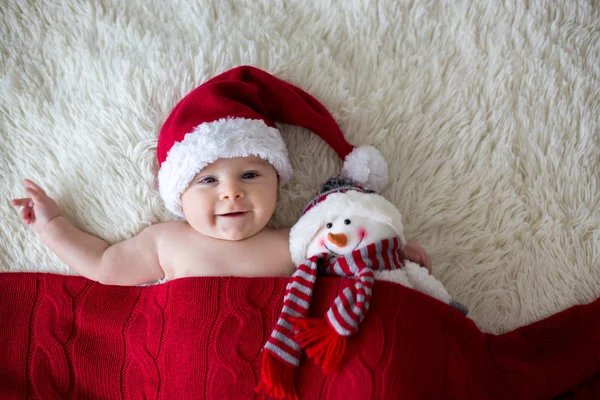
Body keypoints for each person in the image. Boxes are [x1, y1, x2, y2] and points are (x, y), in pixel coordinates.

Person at [10, 66, 432, 286]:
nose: (231, 192)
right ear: (178, 194)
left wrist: (393, 256)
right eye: (208, 181)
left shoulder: (297, 241)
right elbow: (103, 264)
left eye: (250, 175)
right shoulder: (165, 241)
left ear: (278, 183)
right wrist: (53, 226)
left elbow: (351, 263)